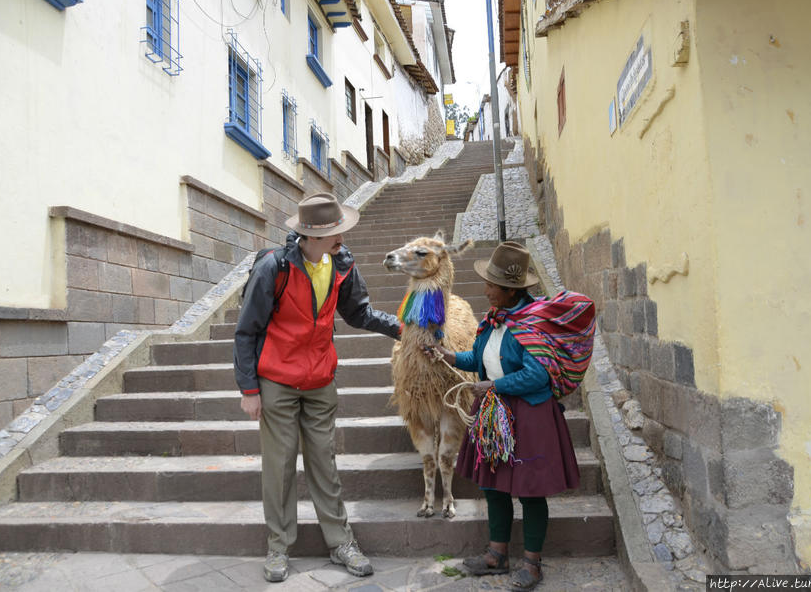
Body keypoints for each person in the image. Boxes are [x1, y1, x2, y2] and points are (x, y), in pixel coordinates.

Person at [234, 193, 401, 583]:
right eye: (335, 235)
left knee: (324, 462)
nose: (342, 240)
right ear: (309, 236)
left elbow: (358, 312)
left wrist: (399, 326)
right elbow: (246, 330)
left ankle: (340, 542)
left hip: (320, 380)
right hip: (277, 380)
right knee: (279, 467)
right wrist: (249, 389)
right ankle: (278, 547)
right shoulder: (273, 268)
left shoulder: (341, 263)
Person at [424, 241, 595, 591]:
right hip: (494, 414)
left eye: (490, 285)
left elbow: (537, 375)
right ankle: (496, 554)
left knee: (530, 492)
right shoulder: (491, 322)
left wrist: (491, 386)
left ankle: (532, 564)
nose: (485, 289)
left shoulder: (531, 325)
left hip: (529, 416)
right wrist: (447, 355)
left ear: (509, 290)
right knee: (493, 485)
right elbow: (477, 358)